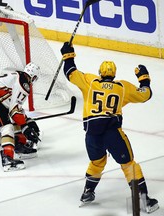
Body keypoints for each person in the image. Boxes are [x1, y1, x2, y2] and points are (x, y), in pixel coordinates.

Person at [60, 42, 159, 213]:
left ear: (100, 73)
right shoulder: (123, 88)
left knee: (97, 162)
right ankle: (143, 199)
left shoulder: (90, 82)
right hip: (113, 134)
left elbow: (70, 73)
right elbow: (146, 95)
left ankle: (87, 192)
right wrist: (144, 78)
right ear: (114, 74)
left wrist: (68, 54)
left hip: (92, 135)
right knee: (128, 164)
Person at [0, 62, 41, 171]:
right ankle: (7, 159)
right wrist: (25, 127)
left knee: (11, 120)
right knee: (6, 127)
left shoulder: (17, 76)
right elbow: (15, 111)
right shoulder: (24, 82)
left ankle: (18, 145)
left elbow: (14, 109)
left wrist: (26, 122)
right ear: (34, 76)